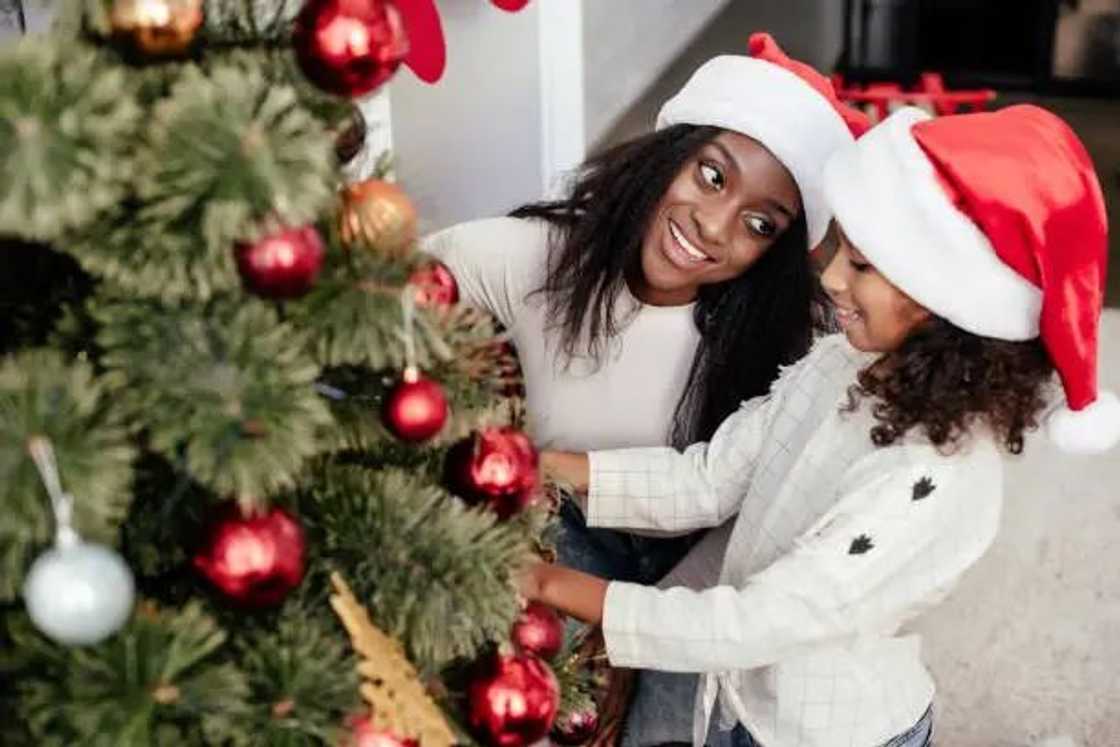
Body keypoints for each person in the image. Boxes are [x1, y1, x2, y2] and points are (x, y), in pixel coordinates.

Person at [523, 104, 1120, 746]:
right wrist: (547, 468)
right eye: (842, 250)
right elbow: (712, 477)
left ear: (947, 306)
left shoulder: (931, 477)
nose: (831, 276)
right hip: (741, 700)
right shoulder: (842, 360)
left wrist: (554, 584)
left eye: (861, 266)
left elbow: (756, 622)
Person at [423, 33, 868, 598]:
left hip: (701, 573)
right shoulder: (533, 258)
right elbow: (379, 291)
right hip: (557, 521)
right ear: (668, 154)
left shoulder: (787, 345)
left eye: (760, 224)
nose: (714, 225)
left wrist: (642, 628)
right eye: (712, 177)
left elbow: (751, 531)